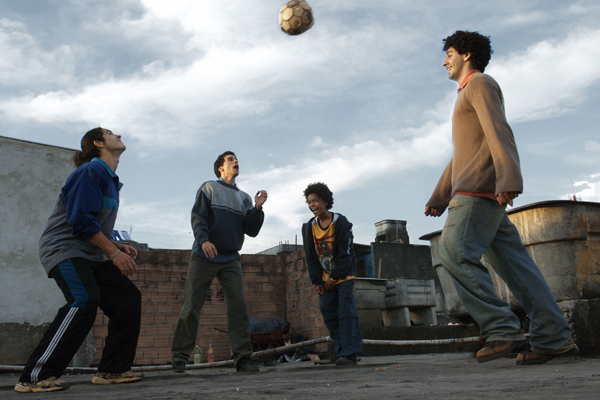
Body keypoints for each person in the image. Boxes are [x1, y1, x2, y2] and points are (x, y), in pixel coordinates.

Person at [425, 30, 579, 365]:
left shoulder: (480, 84)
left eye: (449, 54)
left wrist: (509, 178)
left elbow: (499, 130)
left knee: (453, 252)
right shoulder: (467, 93)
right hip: (476, 189)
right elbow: (462, 154)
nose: (444, 61)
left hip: (478, 191)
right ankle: (554, 338)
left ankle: (501, 329)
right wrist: (439, 196)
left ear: (466, 54)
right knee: (519, 270)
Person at [15, 128, 143, 393]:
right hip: (65, 249)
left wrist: (116, 245)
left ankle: (112, 370)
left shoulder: (110, 179)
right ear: (98, 143)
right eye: (110, 133)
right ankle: (35, 376)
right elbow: (80, 220)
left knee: (127, 299)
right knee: (84, 298)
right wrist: (113, 253)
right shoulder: (90, 171)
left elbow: (94, 223)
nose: (118, 134)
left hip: (90, 253)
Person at [171, 151, 267, 373]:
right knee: (192, 305)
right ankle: (179, 358)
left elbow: (251, 230)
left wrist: (258, 208)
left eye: (236, 159)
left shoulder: (244, 198)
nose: (236, 161)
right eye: (230, 159)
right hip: (204, 255)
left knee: (238, 307)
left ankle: (243, 358)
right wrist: (203, 240)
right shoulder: (209, 188)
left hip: (230, 258)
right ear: (220, 168)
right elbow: (198, 218)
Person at [302, 182, 362, 365]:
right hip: (324, 279)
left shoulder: (340, 222)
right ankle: (340, 351)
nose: (312, 205)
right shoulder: (309, 227)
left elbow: (346, 252)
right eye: (309, 202)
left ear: (326, 201)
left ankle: (350, 354)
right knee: (327, 311)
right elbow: (311, 256)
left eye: (316, 200)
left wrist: (335, 276)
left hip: (343, 276)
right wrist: (317, 281)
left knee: (346, 313)